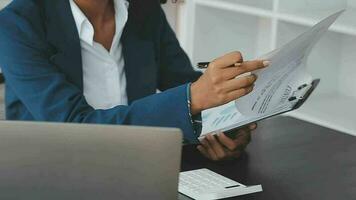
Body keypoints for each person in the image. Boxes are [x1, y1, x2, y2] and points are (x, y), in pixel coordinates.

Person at [0, 0, 268, 161]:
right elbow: (74, 127)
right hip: (55, 173)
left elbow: (182, 82)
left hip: (143, 163)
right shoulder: (16, 23)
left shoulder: (142, 9)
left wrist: (228, 128)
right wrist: (193, 98)